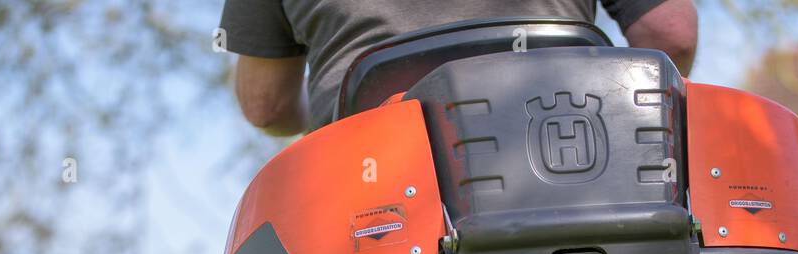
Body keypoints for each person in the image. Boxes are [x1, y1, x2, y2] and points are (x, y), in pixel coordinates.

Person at [218, 0, 698, 136]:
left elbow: (266, 105)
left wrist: (330, 110)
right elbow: (671, 32)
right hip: (570, 152)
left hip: (376, 188)